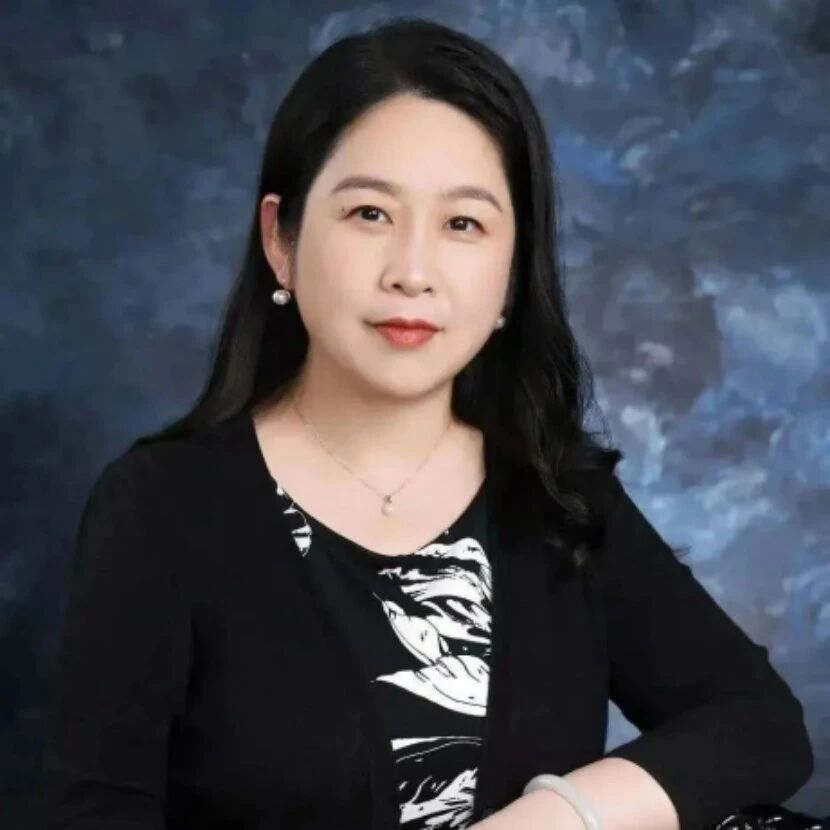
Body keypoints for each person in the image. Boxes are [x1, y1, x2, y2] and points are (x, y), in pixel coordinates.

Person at [35, 15, 813, 830]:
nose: (412, 272)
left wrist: (559, 816)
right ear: (281, 239)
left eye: (462, 224)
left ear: (512, 273)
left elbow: (756, 723)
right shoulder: (162, 506)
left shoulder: (556, 496)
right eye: (369, 214)